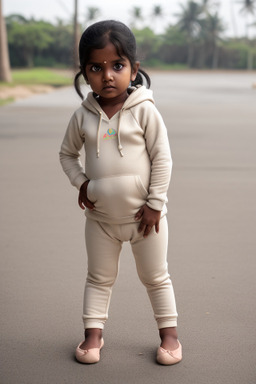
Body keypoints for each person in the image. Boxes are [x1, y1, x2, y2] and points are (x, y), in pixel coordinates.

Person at [59, 20, 182, 366]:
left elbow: (163, 158)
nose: (107, 76)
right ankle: (92, 336)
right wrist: (82, 182)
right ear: (84, 72)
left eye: (117, 66)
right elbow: (66, 154)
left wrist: (156, 203)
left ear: (134, 69)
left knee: (156, 277)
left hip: (146, 219)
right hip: (100, 219)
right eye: (96, 68)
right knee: (98, 278)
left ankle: (170, 336)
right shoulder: (82, 116)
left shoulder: (145, 110)